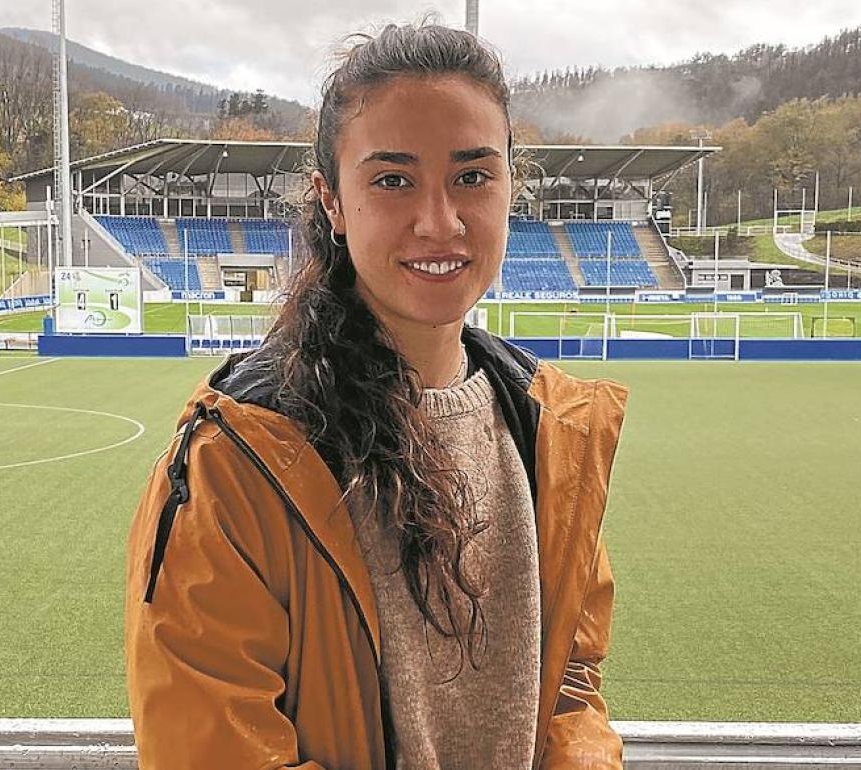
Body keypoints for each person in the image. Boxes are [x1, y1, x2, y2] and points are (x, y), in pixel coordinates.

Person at [125, 21, 629, 770]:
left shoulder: (549, 427)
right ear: (332, 201)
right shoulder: (236, 458)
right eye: (392, 179)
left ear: (510, 187)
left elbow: (570, 684)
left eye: (472, 176)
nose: (440, 221)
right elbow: (213, 749)